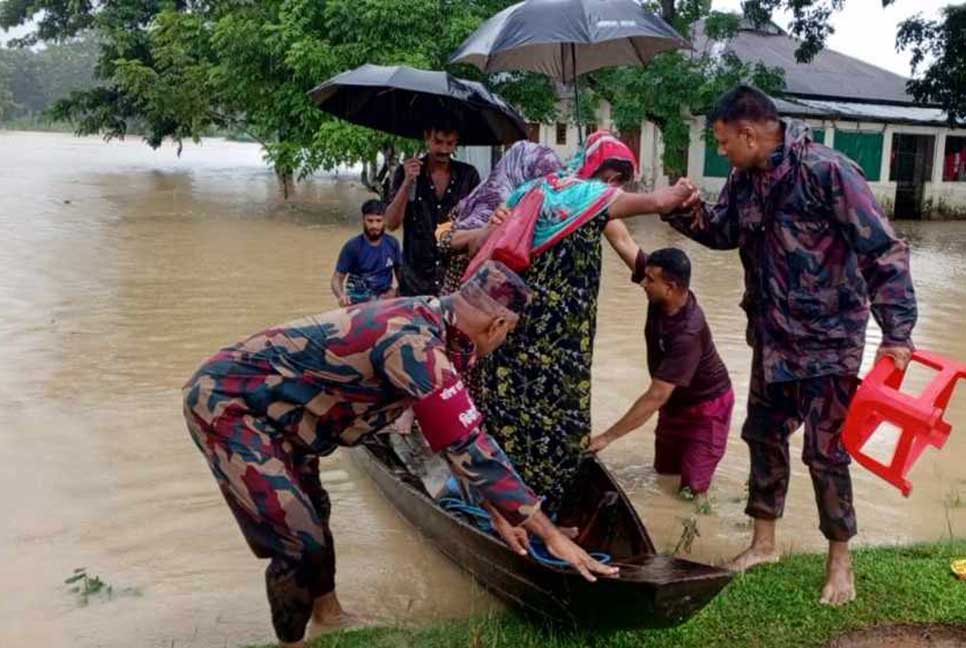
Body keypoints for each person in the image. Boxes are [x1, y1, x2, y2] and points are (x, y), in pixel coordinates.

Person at [183, 261, 615, 648]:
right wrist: (549, 533)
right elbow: (469, 446)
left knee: (315, 509)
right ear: (498, 323)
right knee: (297, 538)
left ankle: (329, 617)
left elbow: (449, 432)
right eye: (508, 334)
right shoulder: (415, 343)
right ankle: (292, 643)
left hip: (287, 416)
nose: (503, 341)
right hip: (230, 403)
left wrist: (500, 513)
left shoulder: (441, 329)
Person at [662, 85, 917, 605]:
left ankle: (840, 562)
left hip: (830, 342)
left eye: (724, 140)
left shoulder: (829, 172)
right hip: (773, 339)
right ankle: (764, 543)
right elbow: (722, 231)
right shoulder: (745, 180)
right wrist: (683, 210)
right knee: (763, 436)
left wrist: (897, 333)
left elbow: (884, 251)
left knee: (826, 453)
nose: (722, 151)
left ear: (749, 132)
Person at [470, 131, 699, 522]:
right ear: (592, 167)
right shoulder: (583, 197)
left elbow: (632, 253)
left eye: (619, 181)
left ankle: (517, 506)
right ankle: (531, 512)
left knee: (518, 413)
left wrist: (672, 296)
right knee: (555, 419)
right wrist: (678, 192)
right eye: (610, 176)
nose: (613, 187)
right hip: (552, 340)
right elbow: (656, 201)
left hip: (524, 335)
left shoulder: (550, 196)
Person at [588, 248, 734, 500]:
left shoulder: (687, 332)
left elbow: (656, 396)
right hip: (674, 404)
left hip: (706, 410)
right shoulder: (660, 291)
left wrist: (606, 437)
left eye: (649, 280)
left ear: (670, 287)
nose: (642, 283)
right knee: (664, 473)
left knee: (691, 492)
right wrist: (594, 211)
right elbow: (622, 241)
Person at [385, 120, 481, 297]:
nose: (444, 150)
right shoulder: (405, 172)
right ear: (426, 138)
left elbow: (479, 226)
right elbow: (391, 224)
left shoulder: (469, 176)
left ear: (456, 142)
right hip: (414, 284)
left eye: (450, 143)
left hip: (456, 284)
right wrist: (407, 183)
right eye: (438, 142)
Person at [330, 199, 401, 306]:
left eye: (378, 221)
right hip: (357, 302)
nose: (374, 226)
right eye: (370, 221)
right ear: (363, 220)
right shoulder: (352, 246)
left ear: (385, 220)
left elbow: (403, 277)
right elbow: (337, 279)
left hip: (385, 300)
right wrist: (341, 296)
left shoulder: (393, 243)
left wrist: (396, 292)